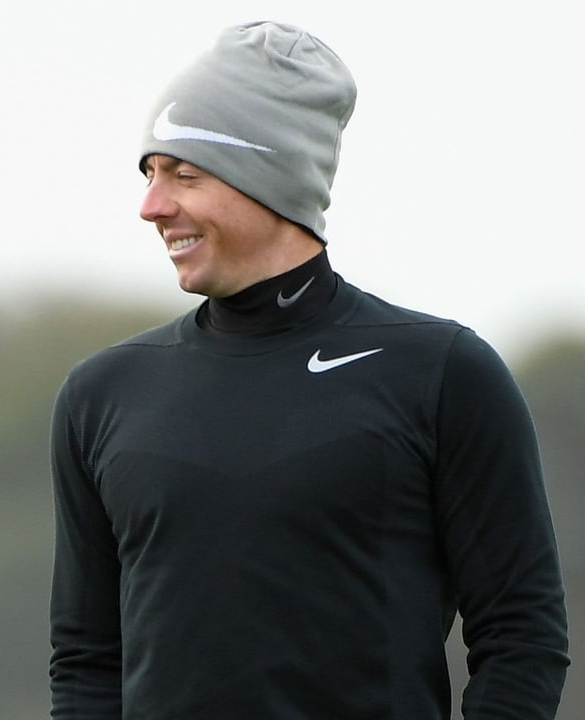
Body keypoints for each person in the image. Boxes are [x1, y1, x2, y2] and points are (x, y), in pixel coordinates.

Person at [48, 20, 569, 719]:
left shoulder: (442, 373)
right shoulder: (101, 395)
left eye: (184, 174)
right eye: (149, 175)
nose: (152, 206)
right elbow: (87, 661)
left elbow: (521, 638)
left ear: (266, 176)